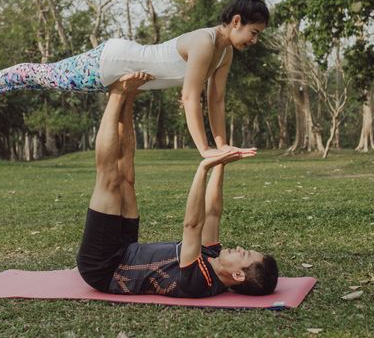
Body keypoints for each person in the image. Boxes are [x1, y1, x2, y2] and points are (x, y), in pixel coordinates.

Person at [0, 0, 270, 160]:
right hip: (110, 63)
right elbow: (191, 98)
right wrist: (204, 149)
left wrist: (222, 143)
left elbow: (216, 101)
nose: (255, 40)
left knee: (42, 78)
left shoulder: (225, 51)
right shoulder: (205, 42)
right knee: (43, 75)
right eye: (254, 32)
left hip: (121, 65)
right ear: (237, 22)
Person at [76, 71, 279, 298]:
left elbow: (192, 225)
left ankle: (116, 94)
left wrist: (203, 169)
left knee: (110, 180)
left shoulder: (199, 281)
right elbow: (212, 213)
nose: (240, 248)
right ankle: (129, 96)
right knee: (126, 179)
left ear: (239, 276)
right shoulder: (213, 257)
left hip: (105, 268)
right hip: (127, 250)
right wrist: (222, 161)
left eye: (245, 255)